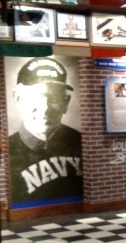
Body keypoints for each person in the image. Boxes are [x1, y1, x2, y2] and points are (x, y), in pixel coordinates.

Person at [9, 57, 83, 205]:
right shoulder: (9, 148)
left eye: (54, 98)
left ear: (65, 102)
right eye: (35, 97)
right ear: (18, 98)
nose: (45, 108)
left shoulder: (80, 142)